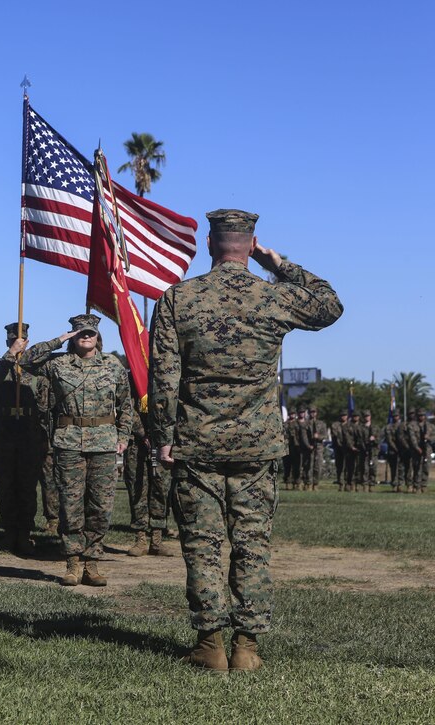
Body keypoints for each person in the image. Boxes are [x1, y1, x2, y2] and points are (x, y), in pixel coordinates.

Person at [148, 208, 342, 672]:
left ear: (211, 244)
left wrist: (162, 436)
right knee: (252, 542)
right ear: (250, 243)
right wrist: (278, 264)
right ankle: (247, 647)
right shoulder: (272, 297)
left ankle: (210, 643)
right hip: (256, 446)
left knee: (202, 544)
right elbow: (329, 304)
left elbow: (163, 378)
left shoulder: (179, 298)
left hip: (197, 443)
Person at [33, 314, 132, 587]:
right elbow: (28, 361)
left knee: (101, 506)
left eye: (90, 332)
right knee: (70, 504)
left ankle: (92, 562)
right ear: (72, 337)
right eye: (79, 333)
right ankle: (73, 562)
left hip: (103, 442)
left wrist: (123, 436)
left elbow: (126, 405)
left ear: (98, 336)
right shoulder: (58, 365)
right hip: (69, 441)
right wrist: (57, 340)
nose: (85, 336)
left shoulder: (113, 365)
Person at [0, 322, 64, 555]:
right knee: (6, 484)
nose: (17, 344)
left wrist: (60, 339)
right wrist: (10, 354)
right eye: (12, 341)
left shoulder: (35, 366)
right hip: (5, 431)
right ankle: (9, 532)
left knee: (27, 484)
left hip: (29, 431)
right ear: (7, 342)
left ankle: (25, 533)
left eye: (20, 341)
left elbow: (46, 354)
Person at [124, 381, 176, 557]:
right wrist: (142, 433)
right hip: (137, 444)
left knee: (161, 488)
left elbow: (171, 409)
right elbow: (127, 407)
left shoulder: (165, 381)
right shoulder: (133, 379)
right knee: (137, 487)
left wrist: (162, 435)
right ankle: (140, 539)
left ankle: (157, 539)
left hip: (162, 442)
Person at [330, 411, 348, 487]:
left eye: (345, 415)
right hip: (338, 448)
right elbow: (336, 435)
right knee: (339, 465)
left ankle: (347, 481)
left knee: (348, 465)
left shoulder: (350, 425)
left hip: (348, 448)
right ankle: (340, 481)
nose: (343, 417)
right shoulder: (335, 425)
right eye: (342, 415)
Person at [383, 413, 401, 489]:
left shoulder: (403, 426)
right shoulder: (388, 427)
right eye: (394, 416)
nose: (395, 417)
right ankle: (394, 484)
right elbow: (389, 439)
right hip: (392, 450)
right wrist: (396, 449)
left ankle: (400, 484)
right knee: (393, 468)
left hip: (402, 450)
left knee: (401, 468)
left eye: (397, 416)